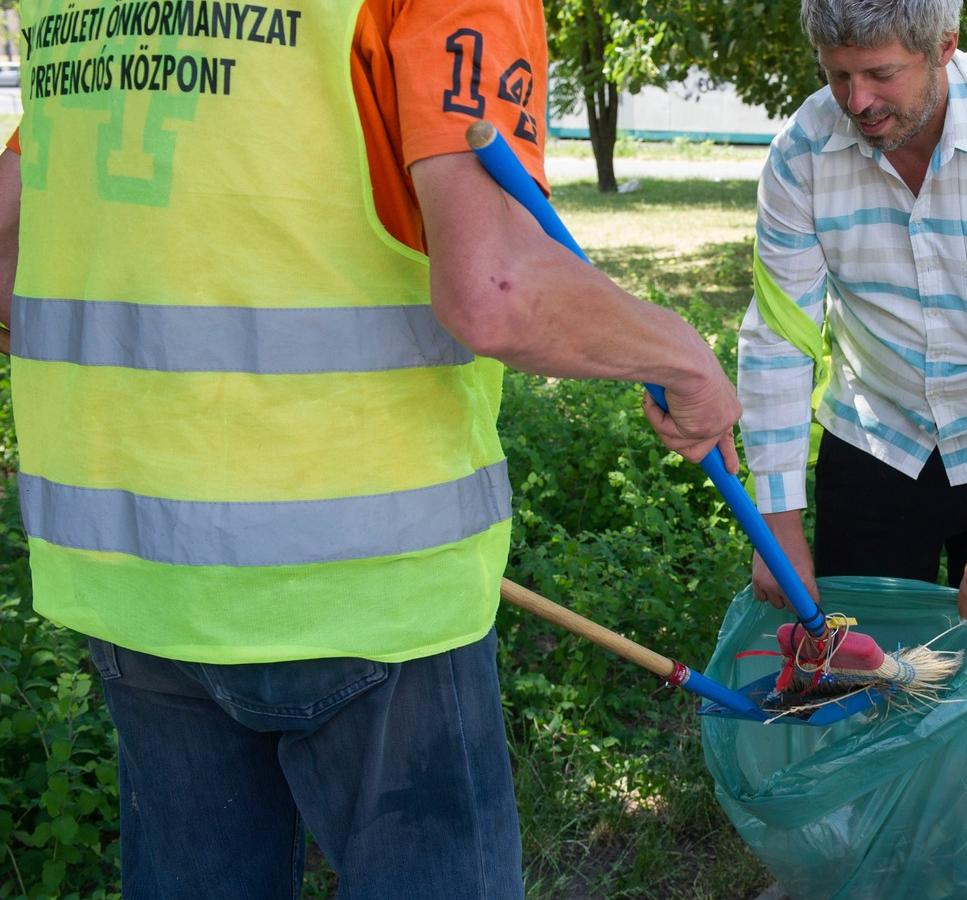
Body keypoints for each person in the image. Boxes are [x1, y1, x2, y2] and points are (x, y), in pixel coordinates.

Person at [0, 1, 739, 895]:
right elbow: (497, 287)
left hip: (135, 574)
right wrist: (683, 356)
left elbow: (11, 246)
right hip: (364, 586)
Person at [736, 0, 967, 759]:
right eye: (837, 75)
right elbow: (778, 337)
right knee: (863, 687)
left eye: (881, 73)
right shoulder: (802, 152)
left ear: (944, 48)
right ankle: (883, 852)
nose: (857, 101)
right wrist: (777, 521)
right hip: (877, 444)